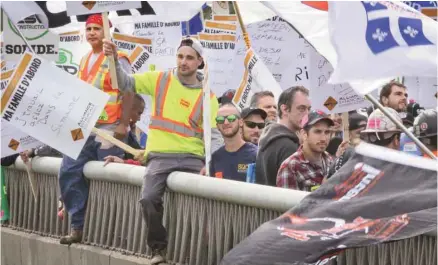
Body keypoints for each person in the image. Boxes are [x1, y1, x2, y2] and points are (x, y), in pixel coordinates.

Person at [103, 36, 222, 264]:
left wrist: (209, 164)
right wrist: (113, 59)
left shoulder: (208, 94)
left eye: (189, 57)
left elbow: (214, 137)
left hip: (193, 158)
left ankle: (199, 254)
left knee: (200, 208)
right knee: (148, 198)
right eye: (180, 56)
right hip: (160, 157)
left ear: (200, 62)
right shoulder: (161, 79)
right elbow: (125, 83)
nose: (183, 62)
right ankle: (158, 249)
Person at [58, 14, 132, 245]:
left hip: (110, 128)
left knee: (108, 179)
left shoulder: (119, 58)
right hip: (85, 127)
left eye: (97, 28)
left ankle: (115, 235)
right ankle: (77, 226)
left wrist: (123, 123)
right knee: (68, 170)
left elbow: (129, 92)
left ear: (107, 32)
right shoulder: (84, 59)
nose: (91, 32)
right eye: (88, 28)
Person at [255, 86, 311, 187]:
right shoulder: (288, 146)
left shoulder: (270, 136)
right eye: (301, 109)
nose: (307, 114)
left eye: (308, 109)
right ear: (284, 109)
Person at [276, 110, 334, 191]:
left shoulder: (329, 159)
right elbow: (287, 202)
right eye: (317, 132)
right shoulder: (290, 167)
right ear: (304, 134)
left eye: (327, 132)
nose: (323, 138)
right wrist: (322, 190)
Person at [209, 104, 258, 182]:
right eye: (220, 119)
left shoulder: (255, 154)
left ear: (241, 122)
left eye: (231, 118)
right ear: (217, 126)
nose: (225, 122)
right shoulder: (215, 158)